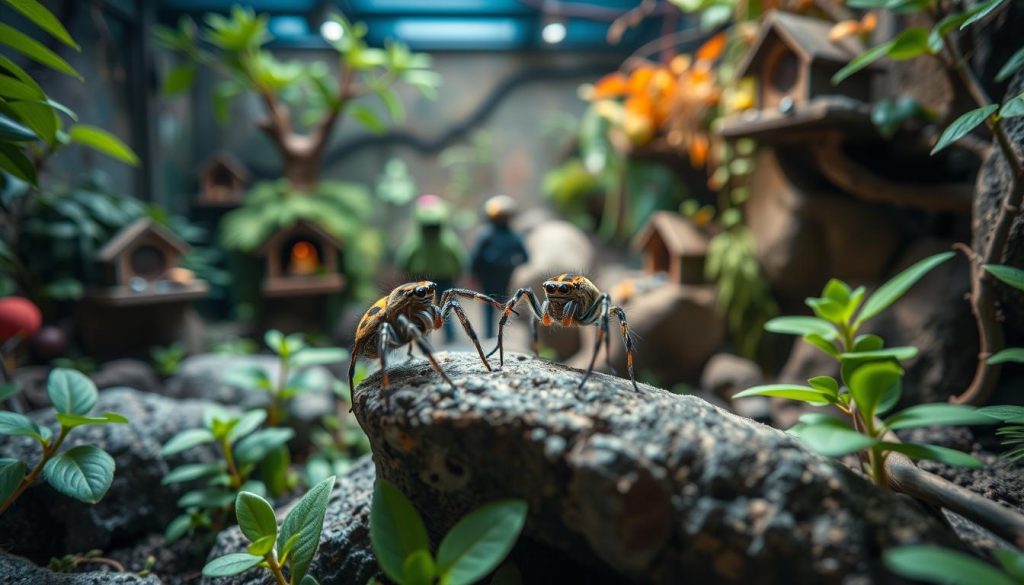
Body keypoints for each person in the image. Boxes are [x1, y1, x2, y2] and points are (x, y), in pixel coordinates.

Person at [395, 194, 468, 342]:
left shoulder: (418, 241)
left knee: (425, 308)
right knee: (443, 306)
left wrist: (404, 271)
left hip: (425, 278)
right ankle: (447, 336)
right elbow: (459, 257)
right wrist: (460, 270)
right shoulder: (446, 239)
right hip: (441, 277)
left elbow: (404, 258)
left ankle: (426, 336)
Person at [470, 195, 529, 338]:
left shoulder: (486, 234)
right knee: (504, 304)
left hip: (491, 275)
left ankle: (492, 334)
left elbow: (475, 257)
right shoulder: (512, 235)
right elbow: (525, 257)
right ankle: (501, 333)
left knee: (490, 304)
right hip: (501, 275)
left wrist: (473, 272)